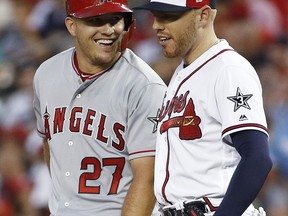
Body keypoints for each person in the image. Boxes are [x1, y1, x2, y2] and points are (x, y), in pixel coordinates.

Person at [134, 0, 273, 216]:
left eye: (168, 16)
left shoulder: (228, 69)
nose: (156, 25)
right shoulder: (183, 71)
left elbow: (257, 158)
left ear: (203, 16)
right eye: (156, 16)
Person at [33, 0, 167, 215]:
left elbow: (148, 178)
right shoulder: (46, 73)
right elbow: (50, 143)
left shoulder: (144, 86)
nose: (108, 30)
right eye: (96, 20)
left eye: (115, 20)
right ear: (72, 26)